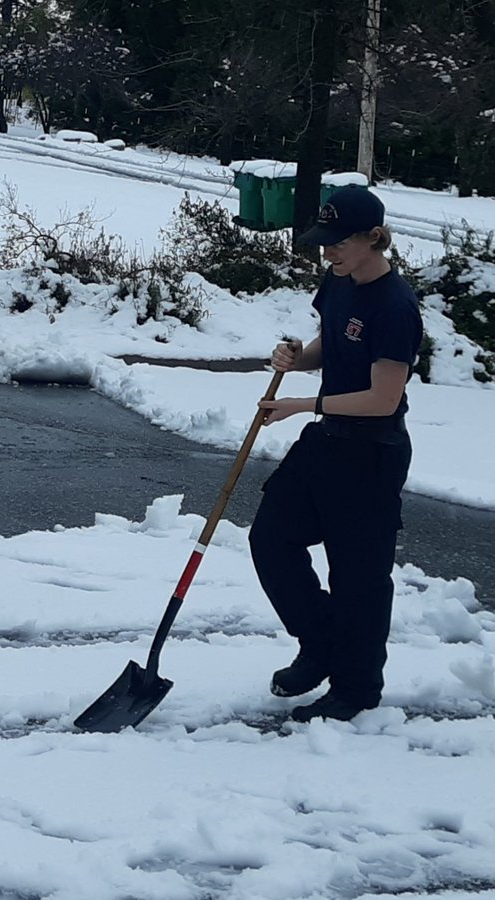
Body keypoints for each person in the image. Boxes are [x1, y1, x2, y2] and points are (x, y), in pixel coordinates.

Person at [248, 186, 423, 723]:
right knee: (271, 538)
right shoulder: (339, 281)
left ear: (374, 237)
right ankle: (321, 643)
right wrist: (296, 357)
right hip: (327, 440)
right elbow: (331, 344)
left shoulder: (396, 307)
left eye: (338, 243)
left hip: (372, 451)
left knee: (358, 577)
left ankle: (356, 686)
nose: (328, 253)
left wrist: (305, 403)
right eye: (323, 243)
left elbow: (383, 397)